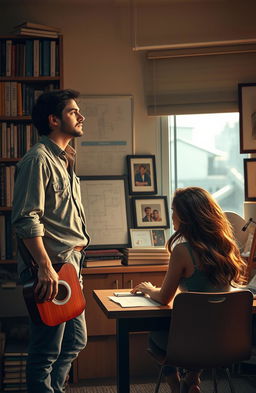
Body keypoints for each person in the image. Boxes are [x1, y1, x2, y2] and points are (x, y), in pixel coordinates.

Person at [12, 89, 90, 393]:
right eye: (73, 112)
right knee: (46, 351)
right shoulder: (38, 160)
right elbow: (25, 218)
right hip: (52, 267)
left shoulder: (65, 160)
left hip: (71, 264)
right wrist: (45, 268)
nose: (81, 116)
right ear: (54, 119)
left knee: (74, 341)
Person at [131, 187, 246, 393]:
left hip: (189, 342)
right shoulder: (228, 248)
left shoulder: (182, 252)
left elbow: (164, 297)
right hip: (224, 340)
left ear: (185, 216)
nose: (171, 216)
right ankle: (192, 379)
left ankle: (177, 387)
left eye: (174, 210)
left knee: (156, 337)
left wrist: (148, 289)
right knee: (203, 332)